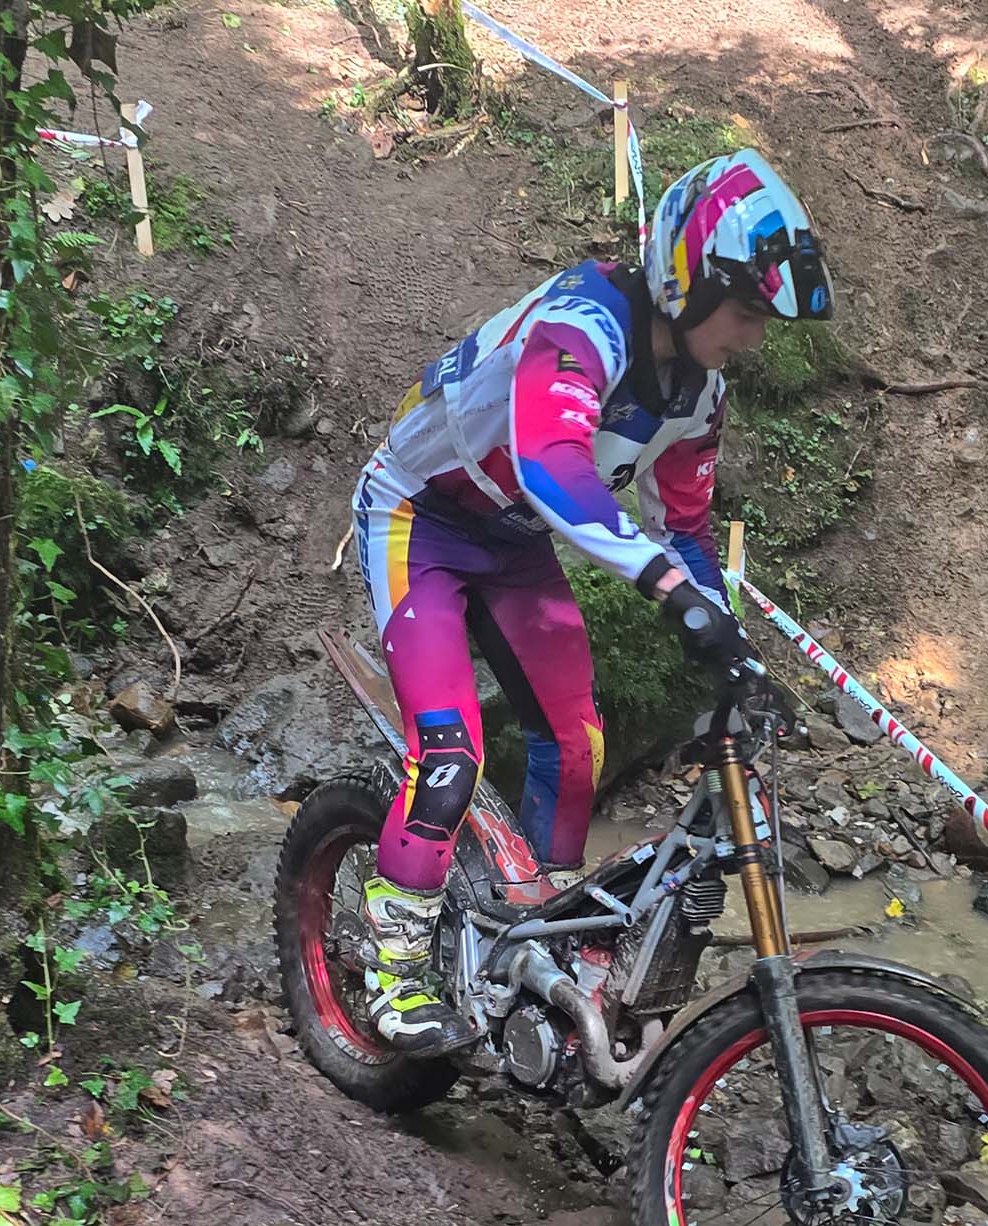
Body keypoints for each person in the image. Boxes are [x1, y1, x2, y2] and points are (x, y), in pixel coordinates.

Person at [349, 148, 833, 1055]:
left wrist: (730, 643)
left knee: (578, 743)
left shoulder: (698, 394)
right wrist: (666, 591)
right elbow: (551, 465)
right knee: (448, 757)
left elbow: (684, 528)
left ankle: (540, 941)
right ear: (688, 282)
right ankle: (395, 974)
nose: (754, 338)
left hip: (515, 543)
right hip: (421, 518)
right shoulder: (580, 325)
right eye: (745, 314)